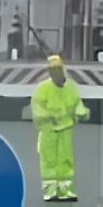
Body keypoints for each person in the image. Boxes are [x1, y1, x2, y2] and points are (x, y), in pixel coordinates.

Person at [32, 55, 89, 201]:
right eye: (53, 70)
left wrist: (81, 113)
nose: (56, 73)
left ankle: (66, 191)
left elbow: (77, 104)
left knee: (65, 159)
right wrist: (49, 117)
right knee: (49, 160)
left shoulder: (70, 88)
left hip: (65, 128)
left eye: (58, 69)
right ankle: (50, 191)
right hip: (48, 130)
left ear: (63, 70)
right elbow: (37, 108)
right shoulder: (43, 89)